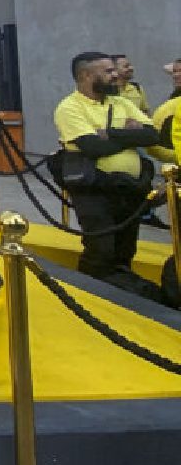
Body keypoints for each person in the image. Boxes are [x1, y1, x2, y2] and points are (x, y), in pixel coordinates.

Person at [54, 52, 161, 299]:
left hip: (130, 188)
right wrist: (127, 134)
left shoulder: (121, 103)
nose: (116, 76)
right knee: (100, 249)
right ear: (86, 76)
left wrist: (109, 134)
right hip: (94, 190)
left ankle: (124, 298)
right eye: (108, 72)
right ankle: (89, 299)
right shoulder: (69, 108)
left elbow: (152, 135)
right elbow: (93, 148)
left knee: (125, 249)